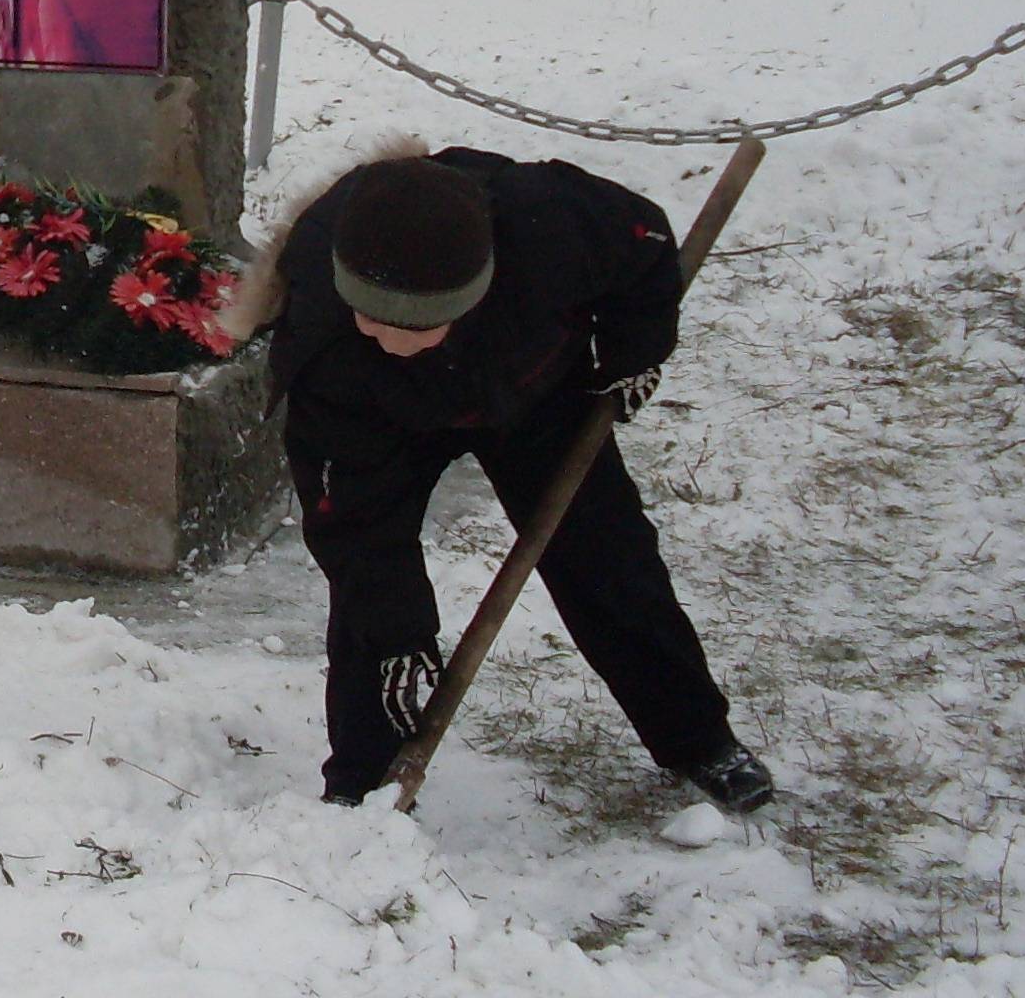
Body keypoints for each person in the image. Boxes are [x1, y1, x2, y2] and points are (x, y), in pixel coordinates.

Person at [263, 147, 773, 811]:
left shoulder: (553, 224)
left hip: (535, 391)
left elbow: (643, 252)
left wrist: (631, 355)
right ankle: (364, 789)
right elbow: (354, 522)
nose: (388, 338)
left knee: (610, 560)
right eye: (372, 318)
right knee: (375, 619)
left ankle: (698, 739)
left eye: (415, 326)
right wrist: (399, 632)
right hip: (383, 423)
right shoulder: (327, 343)